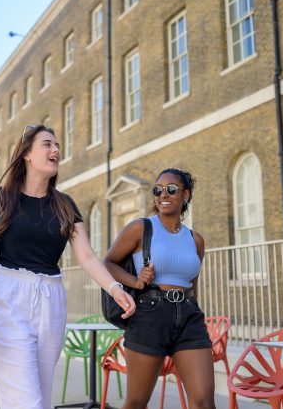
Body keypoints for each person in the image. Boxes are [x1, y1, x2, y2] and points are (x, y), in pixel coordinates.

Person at [0, 125, 136, 409]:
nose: (56, 151)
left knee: (40, 395)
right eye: (47, 144)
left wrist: (115, 288)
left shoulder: (65, 205)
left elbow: (86, 256)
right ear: (26, 153)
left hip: (51, 300)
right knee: (27, 402)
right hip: (8, 296)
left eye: (58, 146)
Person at [103, 168, 215, 409]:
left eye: (171, 189)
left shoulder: (196, 240)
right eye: (158, 190)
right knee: (136, 402)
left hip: (189, 317)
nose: (163, 194)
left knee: (204, 401)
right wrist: (135, 281)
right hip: (149, 315)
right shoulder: (141, 228)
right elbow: (108, 262)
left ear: (185, 195)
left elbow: (192, 283)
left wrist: (194, 311)